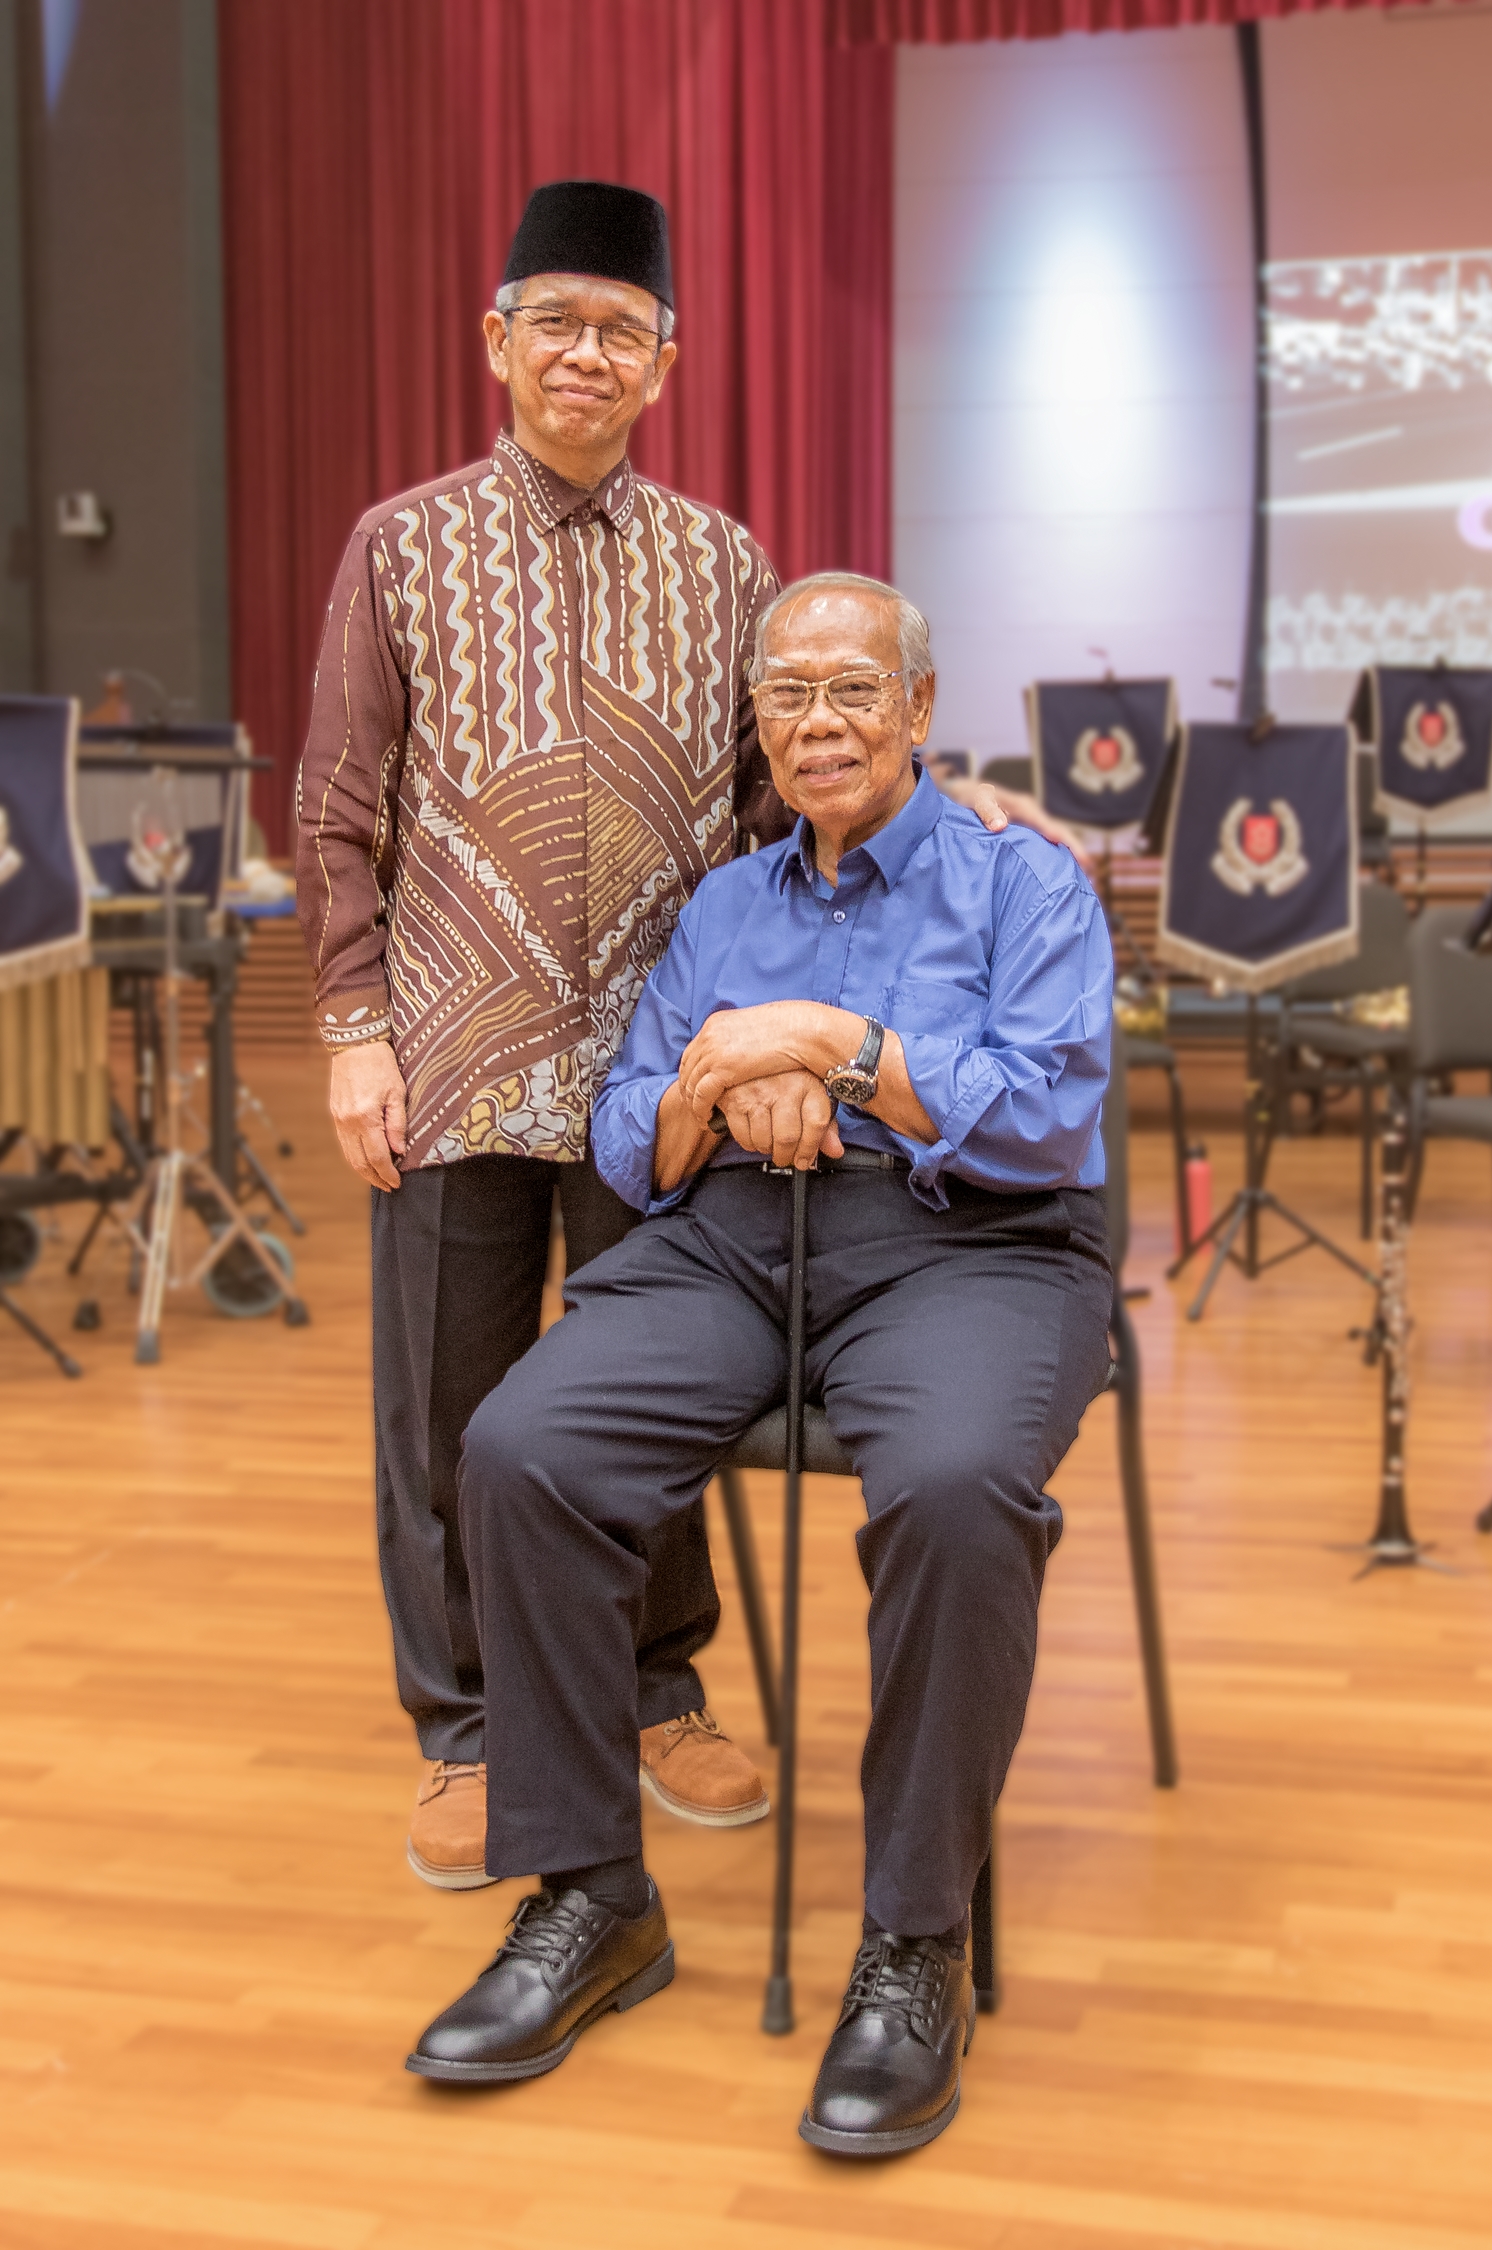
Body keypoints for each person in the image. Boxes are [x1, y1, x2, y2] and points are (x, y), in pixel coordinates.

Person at [296, 182, 1022, 1887]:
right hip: (456, 1055)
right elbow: (337, 805)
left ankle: (657, 1684)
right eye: (554, 319)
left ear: (665, 362)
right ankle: (467, 1723)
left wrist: (952, 811)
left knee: (660, 1387)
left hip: (667, 1068)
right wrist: (349, 1028)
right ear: (496, 341)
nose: (585, 353)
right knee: (451, 1404)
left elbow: (797, 779)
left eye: (620, 328)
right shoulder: (398, 547)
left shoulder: (725, 563)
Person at [407, 573, 1114, 2159]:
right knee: (525, 1446)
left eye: (853, 690)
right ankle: (593, 1895)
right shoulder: (723, 902)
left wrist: (829, 1046)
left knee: (945, 1487)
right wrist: (717, 1084)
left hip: (973, 1247)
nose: (818, 722)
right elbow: (630, 1132)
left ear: (920, 709)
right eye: (787, 694)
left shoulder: (1027, 885)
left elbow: (1046, 1111)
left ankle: (915, 1939)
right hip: (736, 1234)